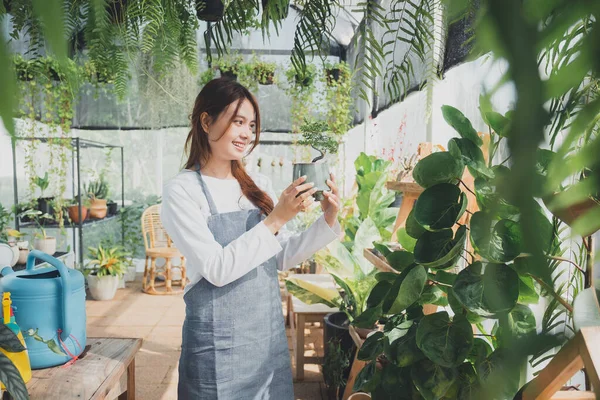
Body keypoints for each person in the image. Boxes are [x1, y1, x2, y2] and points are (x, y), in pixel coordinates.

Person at [161, 77, 342, 399]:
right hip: (215, 344)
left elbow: (281, 256)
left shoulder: (256, 183)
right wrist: (276, 218)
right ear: (206, 120)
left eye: (252, 125)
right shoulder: (182, 190)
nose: (247, 133)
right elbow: (216, 269)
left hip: (264, 337)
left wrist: (327, 220)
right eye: (238, 121)